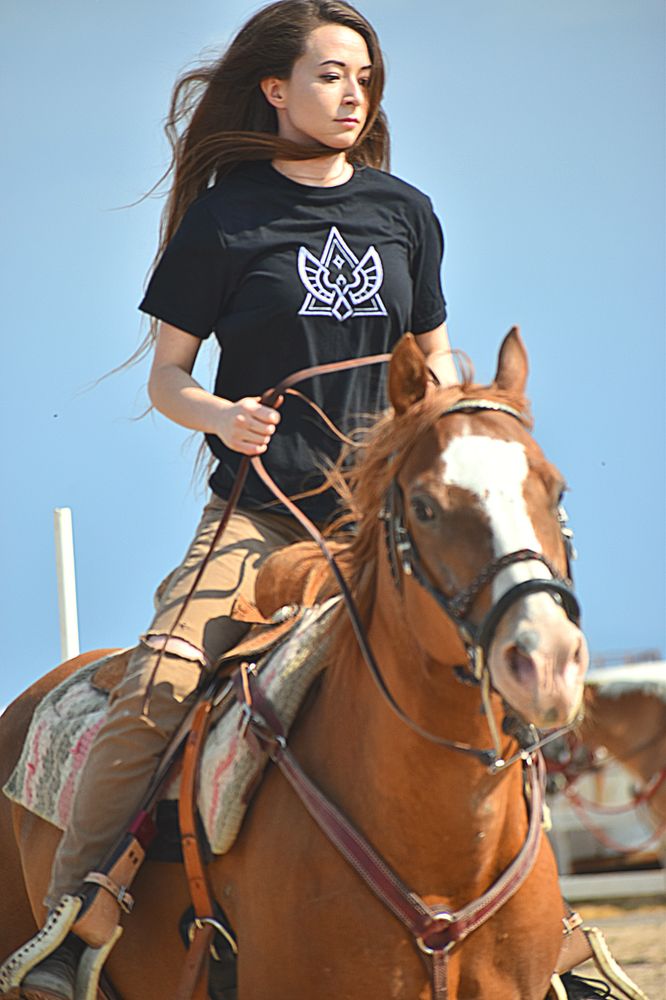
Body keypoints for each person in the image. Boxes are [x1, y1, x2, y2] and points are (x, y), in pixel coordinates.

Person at [0, 2, 456, 997]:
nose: (352, 95)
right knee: (159, 683)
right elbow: (168, 375)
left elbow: (434, 359)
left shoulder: (406, 213)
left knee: (497, 661)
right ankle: (76, 928)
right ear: (275, 89)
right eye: (332, 75)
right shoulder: (225, 217)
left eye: (365, 78)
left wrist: (457, 435)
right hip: (256, 521)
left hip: (385, 527)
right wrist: (219, 413)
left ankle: (542, 929)